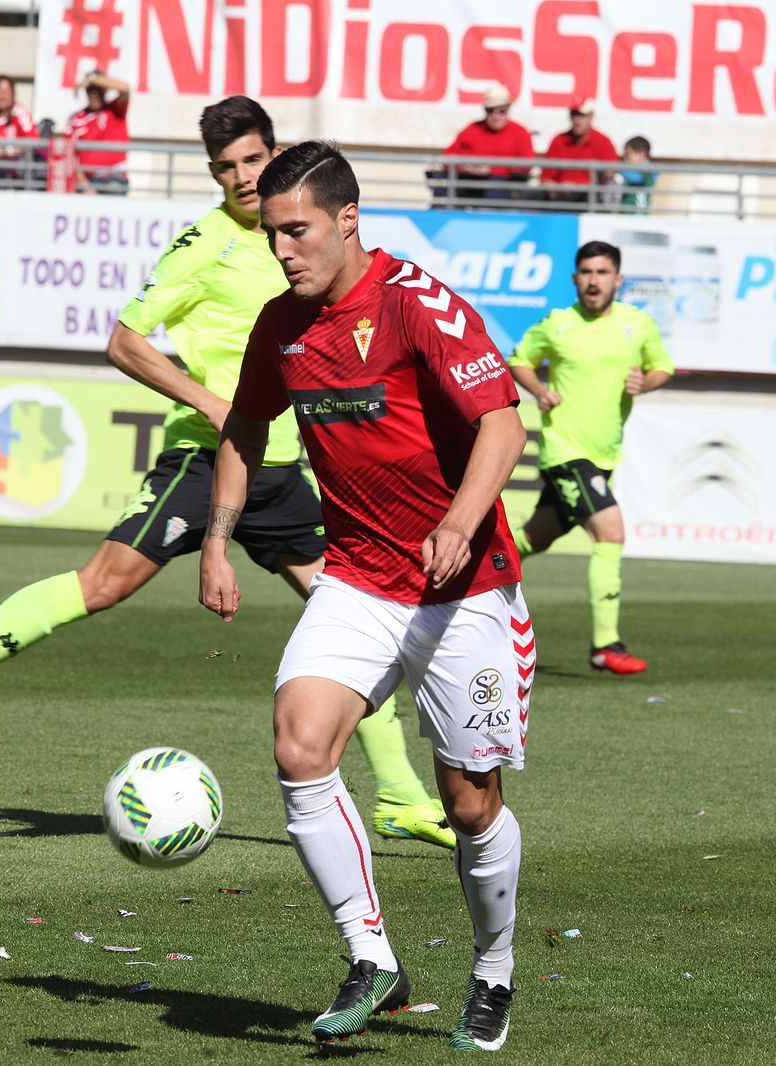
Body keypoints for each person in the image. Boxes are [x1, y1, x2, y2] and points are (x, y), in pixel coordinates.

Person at [0, 98, 455, 850]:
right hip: (202, 458)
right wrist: (211, 402)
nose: (242, 178)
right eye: (225, 168)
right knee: (104, 584)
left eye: (252, 161)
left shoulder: (303, 240)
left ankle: (402, 798)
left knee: (350, 627)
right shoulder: (202, 247)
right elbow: (124, 342)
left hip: (276, 472)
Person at [201, 141, 531, 1051]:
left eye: (296, 230)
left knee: (469, 805)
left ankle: (494, 971)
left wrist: (463, 520)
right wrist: (220, 540)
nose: (283, 250)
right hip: (358, 577)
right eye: (272, 234)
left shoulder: (415, 304)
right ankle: (372, 957)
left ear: (348, 220)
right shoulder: (282, 325)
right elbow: (243, 426)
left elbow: (501, 422)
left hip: (465, 588)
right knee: (299, 743)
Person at [508, 240, 672, 675]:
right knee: (611, 532)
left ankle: (479, 566)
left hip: (603, 456)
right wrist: (540, 391)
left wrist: (646, 382)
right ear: (575, 279)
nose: (593, 281)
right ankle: (606, 645)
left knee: (530, 540)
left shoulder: (638, 324)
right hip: (566, 452)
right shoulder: (558, 324)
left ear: (617, 279)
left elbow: (662, 367)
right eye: (586, 272)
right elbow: (519, 359)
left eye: (602, 273)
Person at [440, 83, 534, 206]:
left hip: (501, 186)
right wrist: (465, 166)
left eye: (501, 111)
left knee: (495, 188)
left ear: (508, 109)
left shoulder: (520, 132)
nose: (496, 117)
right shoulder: (473, 129)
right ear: (485, 111)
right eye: (490, 111)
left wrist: (492, 170)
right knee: (442, 190)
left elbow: (526, 165)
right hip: (469, 181)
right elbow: (448, 156)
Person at [539, 97, 618, 204]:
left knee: (591, 197)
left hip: (589, 196)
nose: (576, 121)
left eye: (581, 115)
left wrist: (579, 187)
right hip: (560, 196)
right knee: (531, 196)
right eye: (574, 115)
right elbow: (547, 177)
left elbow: (609, 175)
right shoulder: (559, 140)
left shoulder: (602, 141)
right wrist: (556, 188)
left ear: (591, 116)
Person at [68, 71, 131, 195]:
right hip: (87, 181)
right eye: (90, 90)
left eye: (98, 89)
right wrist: (85, 185)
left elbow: (125, 88)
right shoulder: (76, 118)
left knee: (114, 189)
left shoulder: (116, 109)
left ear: (106, 90)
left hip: (114, 178)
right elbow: (71, 154)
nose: (94, 94)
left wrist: (92, 79)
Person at [615, 135, 657, 213]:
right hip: (626, 217)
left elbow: (636, 178)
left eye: (628, 154)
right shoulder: (627, 171)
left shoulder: (649, 173)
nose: (625, 158)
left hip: (639, 217)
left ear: (642, 154)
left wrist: (619, 170)